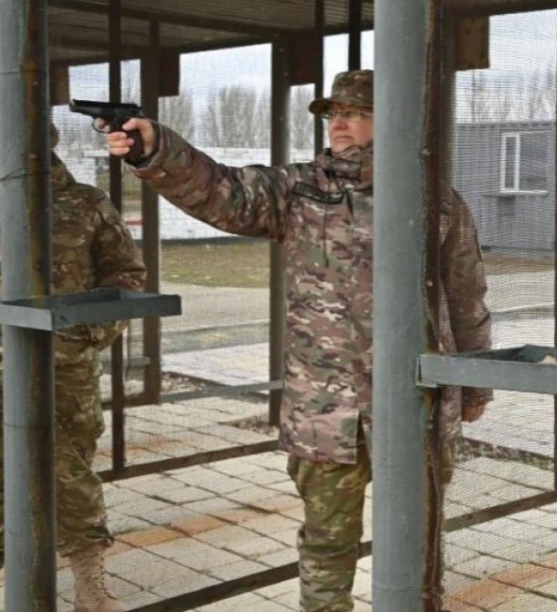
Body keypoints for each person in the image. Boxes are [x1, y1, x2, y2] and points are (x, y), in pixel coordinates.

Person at [103, 69, 492, 611]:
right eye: (334, 114)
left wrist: (474, 385)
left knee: (418, 547)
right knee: (326, 543)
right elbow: (221, 191)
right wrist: (155, 150)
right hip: (325, 411)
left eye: (354, 114)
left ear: (392, 119)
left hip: (416, 408)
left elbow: (466, 295)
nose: (339, 124)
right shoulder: (300, 190)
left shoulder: (436, 200)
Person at [1, 122, 147, 611]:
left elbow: (127, 280)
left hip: (64, 373)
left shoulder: (85, 204)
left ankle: (90, 588)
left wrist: (82, 336)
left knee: (72, 479)